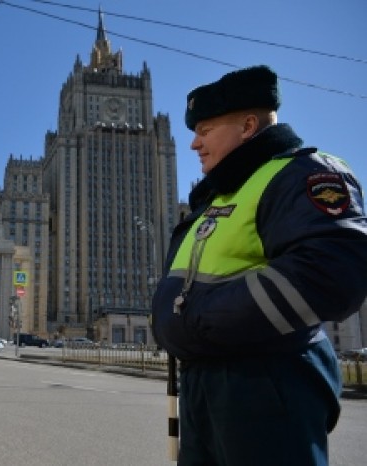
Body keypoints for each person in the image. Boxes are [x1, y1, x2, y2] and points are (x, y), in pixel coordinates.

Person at [152, 65, 367, 465]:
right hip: (205, 383)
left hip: (266, 382)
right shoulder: (216, 198)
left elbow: (332, 271)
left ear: (249, 125)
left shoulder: (301, 173)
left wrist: (198, 322)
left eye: (205, 130)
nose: (194, 144)